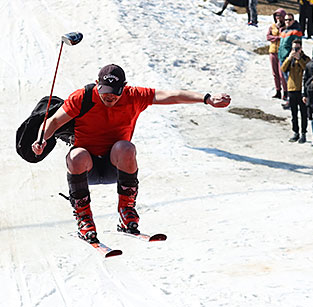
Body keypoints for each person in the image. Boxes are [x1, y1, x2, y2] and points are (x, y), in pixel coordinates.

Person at [31, 64, 231, 243]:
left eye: (115, 93)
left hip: (115, 166)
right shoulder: (82, 96)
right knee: (76, 155)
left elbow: (172, 95)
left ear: (124, 87)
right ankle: (84, 218)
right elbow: (55, 121)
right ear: (97, 84)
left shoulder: (134, 96)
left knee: (125, 147)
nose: (110, 97)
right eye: (105, 92)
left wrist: (206, 99)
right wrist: (42, 139)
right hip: (87, 167)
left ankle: (126, 210)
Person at [281, 39, 311, 143]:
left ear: (301, 48)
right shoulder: (290, 58)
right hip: (292, 88)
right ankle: (295, 132)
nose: (295, 50)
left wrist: (299, 59)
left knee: (303, 113)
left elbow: (308, 69)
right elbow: (283, 69)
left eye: (297, 48)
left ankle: (303, 133)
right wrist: (289, 58)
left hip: (302, 90)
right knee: (293, 113)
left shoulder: (305, 58)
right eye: (293, 48)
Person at [266, 8, 287, 100]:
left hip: (282, 53)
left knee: (282, 73)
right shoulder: (273, 26)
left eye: (279, 16)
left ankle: (286, 92)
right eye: (276, 16)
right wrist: (276, 37)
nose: (278, 18)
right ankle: (278, 91)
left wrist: (278, 36)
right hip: (273, 51)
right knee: (275, 73)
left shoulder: (286, 27)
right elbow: (268, 36)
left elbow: (285, 37)